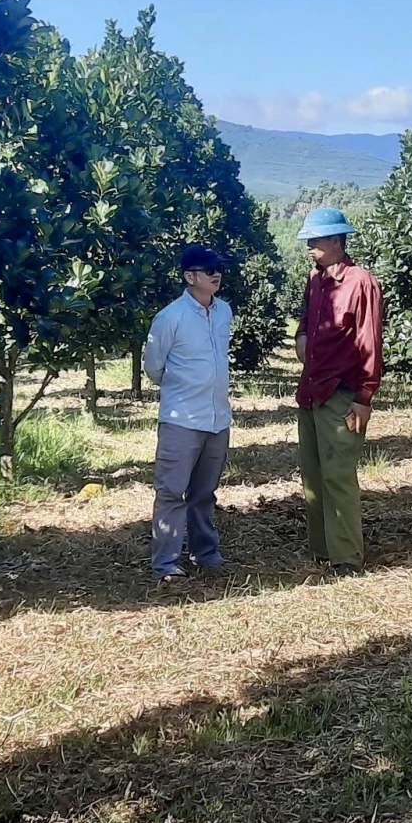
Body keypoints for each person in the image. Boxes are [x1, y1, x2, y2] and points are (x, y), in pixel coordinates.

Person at [292, 206, 385, 575]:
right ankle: (322, 549)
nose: (310, 246)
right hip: (312, 390)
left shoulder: (361, 282)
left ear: (336, 240)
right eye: (309, 240)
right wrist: (301, 336)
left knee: (339, 476)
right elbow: (305, 318)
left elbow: (369, 342)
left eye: (316, 239)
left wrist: (364, 398)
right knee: (313, 476)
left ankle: (347, 558)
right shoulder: (315, 281)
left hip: (342, 393)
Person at [142, 245, 234, 582]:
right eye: (208, 269)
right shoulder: (169, 318)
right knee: (171, 492)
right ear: (189, 277)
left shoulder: (224, 311)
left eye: (218, 268)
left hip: (217, 418)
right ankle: (165, 563)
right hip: (182, 419)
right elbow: (153, 366)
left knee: (204, 493)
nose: (216, 274)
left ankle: (205, 553)